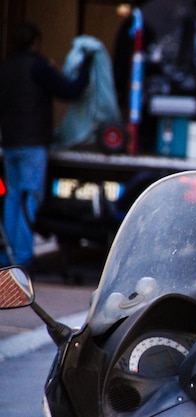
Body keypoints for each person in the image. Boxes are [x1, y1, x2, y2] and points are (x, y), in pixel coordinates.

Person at [0, 22, 92, 267]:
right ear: (36, 42)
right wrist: (86, 68)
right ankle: (21, 258)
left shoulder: (6, 68)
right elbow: (69, 90)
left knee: (11, 199)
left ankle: (6, 256)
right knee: (29, 198)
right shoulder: (38, 67)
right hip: (32, 144)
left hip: (10, 144)